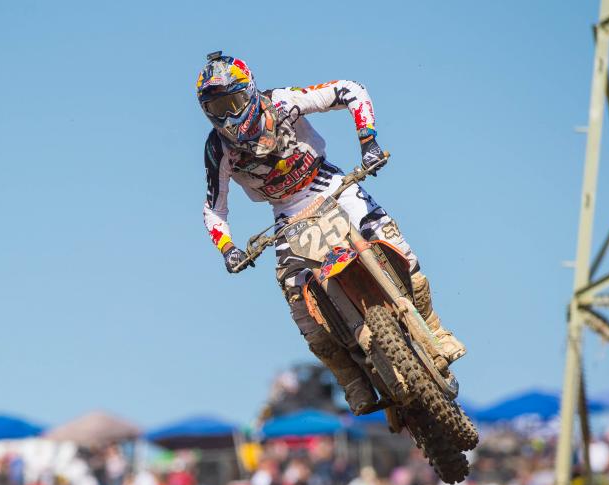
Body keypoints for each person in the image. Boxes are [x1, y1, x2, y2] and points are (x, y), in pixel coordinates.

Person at [197, 52, 464, 413]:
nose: (228, 114)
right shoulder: (218, 150)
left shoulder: (282, 102)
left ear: (250, 91)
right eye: (217, 107)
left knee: (396, 245)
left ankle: (436, 328)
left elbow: (350, 90)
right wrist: (228, 248)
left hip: (329, 185)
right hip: (286, 214)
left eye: (233, 101)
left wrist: (367, 142)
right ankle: (352, 381)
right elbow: (214, 208)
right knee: (299, 303)